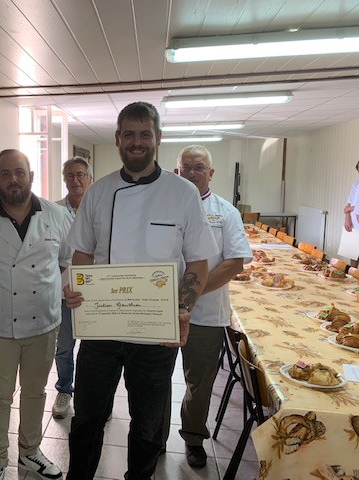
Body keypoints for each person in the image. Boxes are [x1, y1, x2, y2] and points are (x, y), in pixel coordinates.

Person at [64, 102, 219, 480]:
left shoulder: (181, 193)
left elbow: (198, 262)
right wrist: (76, 287)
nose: (137, 142)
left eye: (144, 134)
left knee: (148, 424)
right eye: (129, 134)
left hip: (154, 330)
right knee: (87, 418)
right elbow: (81, 252)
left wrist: (183, 308)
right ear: (117, 139)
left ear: (157, 139)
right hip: (101, 329)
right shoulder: (99, 192)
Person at [0, 149, 73, 480]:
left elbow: (66, 260)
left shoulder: (56, 215)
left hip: (44, 323)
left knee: (36, 391)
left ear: (31, 175)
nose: (13, 179)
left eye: (19, 172)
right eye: (6, 174)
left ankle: (31, 452)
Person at [171, 145, 252, 468]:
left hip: (206, 314)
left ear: (211, 173)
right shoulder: (164, 208)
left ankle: (193, 438)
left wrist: (188, 296)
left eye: (198, 167)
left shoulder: (226, 212)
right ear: (176, 172)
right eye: (185, 168)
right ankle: (153, 437)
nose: (191, 173)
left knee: (199, 381)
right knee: (155, 378)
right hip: (158, 312)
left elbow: (234, 263)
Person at [51, 157, 93, 419]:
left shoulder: (101, 207)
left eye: (80, 174)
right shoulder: (52, 210)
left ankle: (92, 396)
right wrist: (64, 285)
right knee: (64, 346)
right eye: (69, 175)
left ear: (89, 178)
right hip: (65, 293)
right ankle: (65, 389)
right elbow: (49, 254)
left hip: (95, 293)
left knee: (94, 350)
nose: (75, 180)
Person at [344, 160, 359, 267]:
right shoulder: (356, 184)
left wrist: (350, 208)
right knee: (353, 256)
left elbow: (349, 207)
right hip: (353, 225)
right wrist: (347, 217)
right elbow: (347, 206)